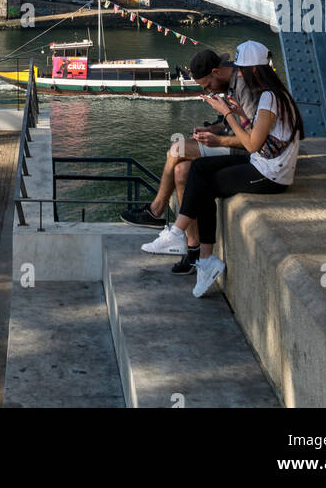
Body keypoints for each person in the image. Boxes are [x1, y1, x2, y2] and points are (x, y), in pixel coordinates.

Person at [158, 40, 304, 298]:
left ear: (254, 70)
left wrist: (226, 114)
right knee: (199, 169)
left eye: (242, 69)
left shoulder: (268, 98)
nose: (239, 73)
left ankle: (185, 239)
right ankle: (201, 256)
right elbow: (258, 133)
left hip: (269, 175)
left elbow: (250, 143)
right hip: (264, 163)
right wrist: (241, 115)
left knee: (202, 182)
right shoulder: (274, 95)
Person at [120, 45, 262, 274]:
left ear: (216, 73)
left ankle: (156, 212)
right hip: (230, 141)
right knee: (181, 172)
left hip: (244, 152)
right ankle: (192, 249)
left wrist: (219, 139)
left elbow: (254, 137)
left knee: (177, 150)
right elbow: (230, 124)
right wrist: (212, 129)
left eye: (207, 86)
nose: (208, 91)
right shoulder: (230, 85)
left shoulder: (244, 87)